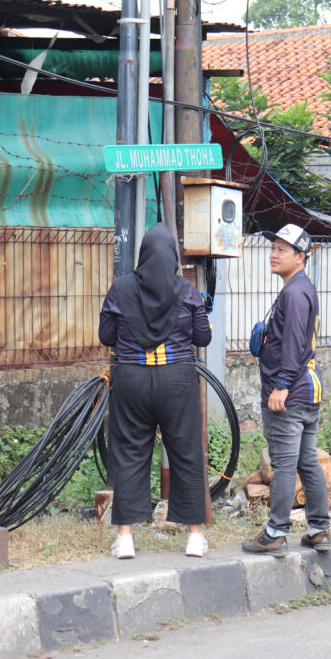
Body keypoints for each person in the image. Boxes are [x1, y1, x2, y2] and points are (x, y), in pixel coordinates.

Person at [99, 223, 212, 559]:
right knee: (186, 453)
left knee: (130, 453)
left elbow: (107, 336)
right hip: (177, 380)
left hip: (131, 379)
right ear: (174, 258)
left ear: (143, 254)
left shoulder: (120, 289)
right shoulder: (187, 290)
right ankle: (194, 537)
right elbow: (202, 338)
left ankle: (125, 539)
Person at [242, 224, 331, 556]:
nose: (274, 254)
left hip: (290, 394)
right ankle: (319, 529)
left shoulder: (294, 293)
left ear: (301, 256)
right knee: (307, 460)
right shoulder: (302, 287)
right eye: (273, 247)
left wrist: (280, 386)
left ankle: (275, 532)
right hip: (307, 391)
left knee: (284, 463)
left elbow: (293, 344)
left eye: (282, 249)